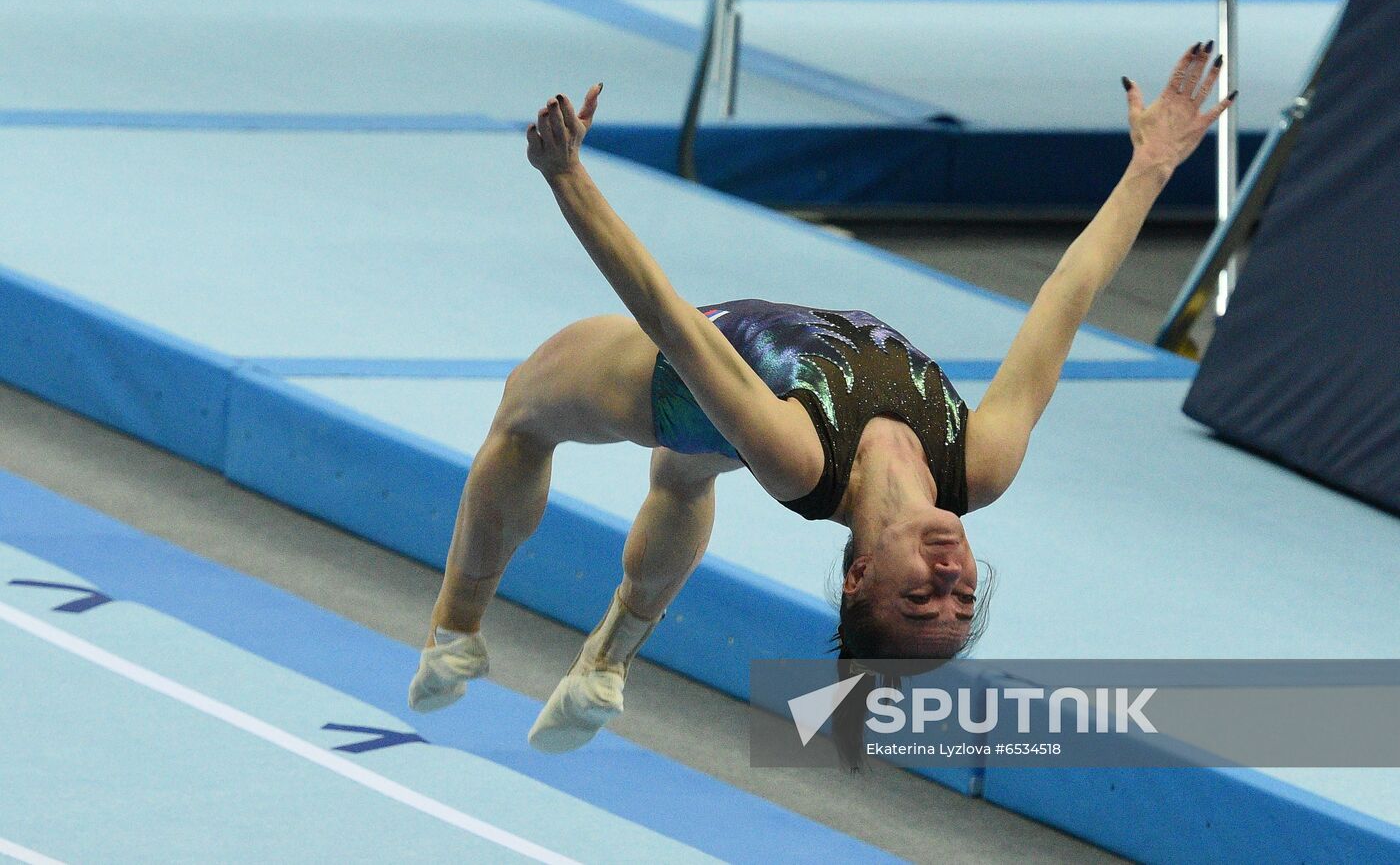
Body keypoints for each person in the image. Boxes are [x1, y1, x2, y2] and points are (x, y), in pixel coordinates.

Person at [409, 42, 1235, 752]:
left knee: (523, 417)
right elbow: (1066, 299)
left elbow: (666, 318)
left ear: (860, 573)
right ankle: (607, 663)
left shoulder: (801, 458)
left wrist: (567, 179)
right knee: (684, 477)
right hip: (745, 396)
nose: (950, 572)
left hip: (683, 374)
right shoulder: (980, 465)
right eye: (961, 592)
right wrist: (1150, 167)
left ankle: (457, 635)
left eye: (920, 592)